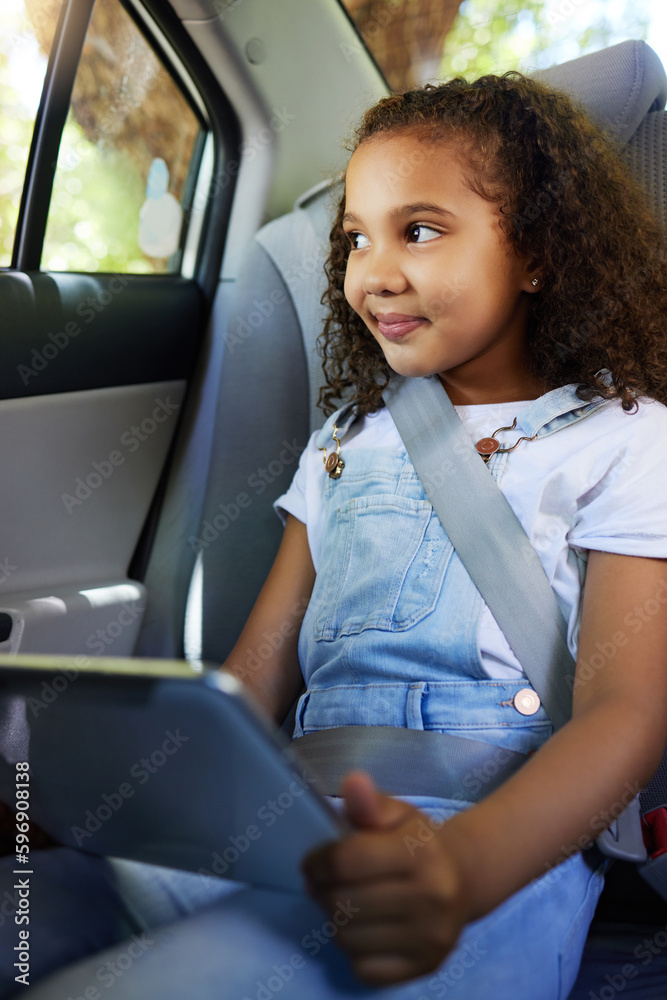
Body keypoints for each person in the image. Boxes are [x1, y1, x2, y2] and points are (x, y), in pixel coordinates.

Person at [4, 72, 667, 1000]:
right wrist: (103, 797)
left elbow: (625, 717)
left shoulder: (626, 441)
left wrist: (460, 868)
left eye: (420, 231)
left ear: (538, 254)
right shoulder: (345, 443)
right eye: (355, 237)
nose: (374, 271)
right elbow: (251, 680)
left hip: (483, 859)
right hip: (281, 830)